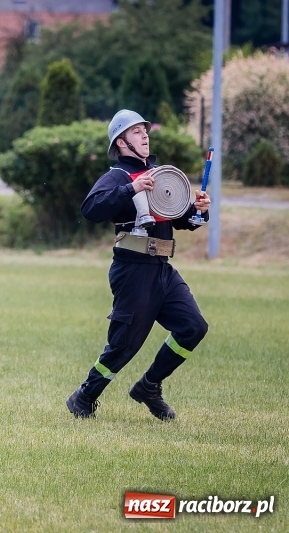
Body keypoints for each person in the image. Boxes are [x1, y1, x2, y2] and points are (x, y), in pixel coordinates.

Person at [66, 109, 211, 420]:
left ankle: (149, 386)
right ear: (121, 142)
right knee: (123, 346)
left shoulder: (159, 174)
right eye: (135, 132)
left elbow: (181, 219)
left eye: (145, 130)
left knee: (193, 328)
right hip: (132, 270)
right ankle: (84, 396)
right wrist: (131, 188)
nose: (144, 135)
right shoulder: (117, 176)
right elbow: (91, 208)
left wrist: (198, 211)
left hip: (162, 270)